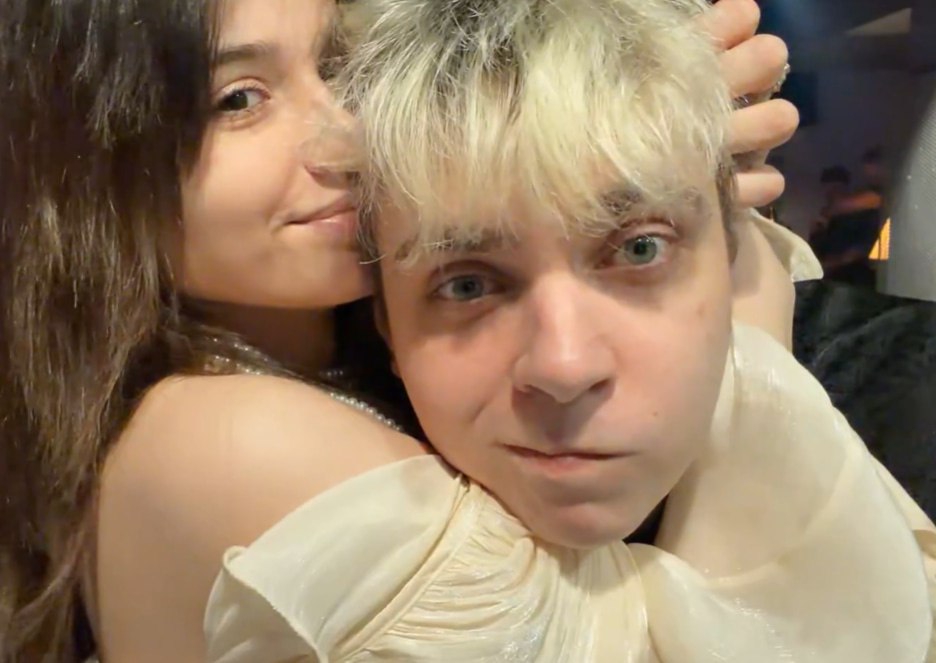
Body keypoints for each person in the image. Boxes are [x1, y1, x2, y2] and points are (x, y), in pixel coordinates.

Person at [0, 0, 802, 660]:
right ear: (82, 166)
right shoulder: (231, 438)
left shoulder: (349, 367)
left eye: (341, 69)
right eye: (240, 100)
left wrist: (636, 136)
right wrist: (744, 287)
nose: (344, 139)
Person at [203, 0, 935, 660]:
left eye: (639, 249)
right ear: (386, 324)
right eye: (468, 284)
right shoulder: (248, 452)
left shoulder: (908, 396)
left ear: (732, 248)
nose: (564, 364)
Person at [818, 149, 887, 288]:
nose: (869, 173)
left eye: (835, 188)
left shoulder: (881, 198)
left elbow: (858, 252)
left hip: (858, 276)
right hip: (834, 277)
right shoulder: (830, 221)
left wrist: (832, 264)